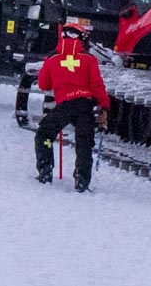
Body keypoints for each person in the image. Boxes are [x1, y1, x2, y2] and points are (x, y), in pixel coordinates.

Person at [34, 18, 109, 191]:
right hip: (84, 105)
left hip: (64, 106)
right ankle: (82, 180)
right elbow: (97, 86)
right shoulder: (89, 59)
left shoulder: (52, 57)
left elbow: (44, 84)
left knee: (44, 135)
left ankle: (45, 171)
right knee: (84, 143)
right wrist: (104, 107)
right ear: (81, 38)